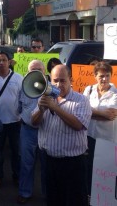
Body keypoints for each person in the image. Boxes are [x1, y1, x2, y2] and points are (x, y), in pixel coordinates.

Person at [32, 64, 92, 206]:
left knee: (75, 199)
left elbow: (78, 125)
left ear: (70, 80)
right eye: (55, 80)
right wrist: (41, 110)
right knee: (53, 199)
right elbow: (34, 122)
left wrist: (55, 108)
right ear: (50, 81)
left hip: (73, 163)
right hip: (49, 161)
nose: (59, 84)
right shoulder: (44, 97)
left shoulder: (81, 100)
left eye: (63, 80)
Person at [0, 51, 23, 188]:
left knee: (17, 152)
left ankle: (17, 176)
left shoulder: (19, 78)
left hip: (15, 121)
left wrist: (22, 116)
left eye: (4, 60)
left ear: (9, 61)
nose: (1, 63)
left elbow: (22, 98)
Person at [83, 61, 117, 197]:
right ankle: (90, 196)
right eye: (101, 76)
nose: (104, 79)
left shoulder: (115, 94)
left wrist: (91, 113)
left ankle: (105, 198)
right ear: (95, 76)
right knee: (90, 168)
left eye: (107, 76)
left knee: (106, 171)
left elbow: (111, 116)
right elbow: (83, 110)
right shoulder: (89, 90)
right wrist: (101, 114)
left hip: (108, 139)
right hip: (90, 137)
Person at [17, 60, 46, 204]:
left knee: (46, 164)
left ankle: (47, 193)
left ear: (44, 71)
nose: (35, 72)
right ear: (28, 72)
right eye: (32, 70)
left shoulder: (51, 88)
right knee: (26, 163)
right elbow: (19, 107)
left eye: (38, 69)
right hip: (27, 131)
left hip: (46, 131)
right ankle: (25, 192)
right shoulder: (23, 88)